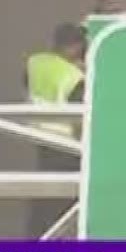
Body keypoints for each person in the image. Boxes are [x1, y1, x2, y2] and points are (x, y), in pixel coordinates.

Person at [25, 22, 88, 239]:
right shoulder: (74, 77)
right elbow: (80, 117)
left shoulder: (35, 63)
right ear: (75, 47)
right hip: (67, 145)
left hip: (40, 138)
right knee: (67, 203)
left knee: (43, 198)